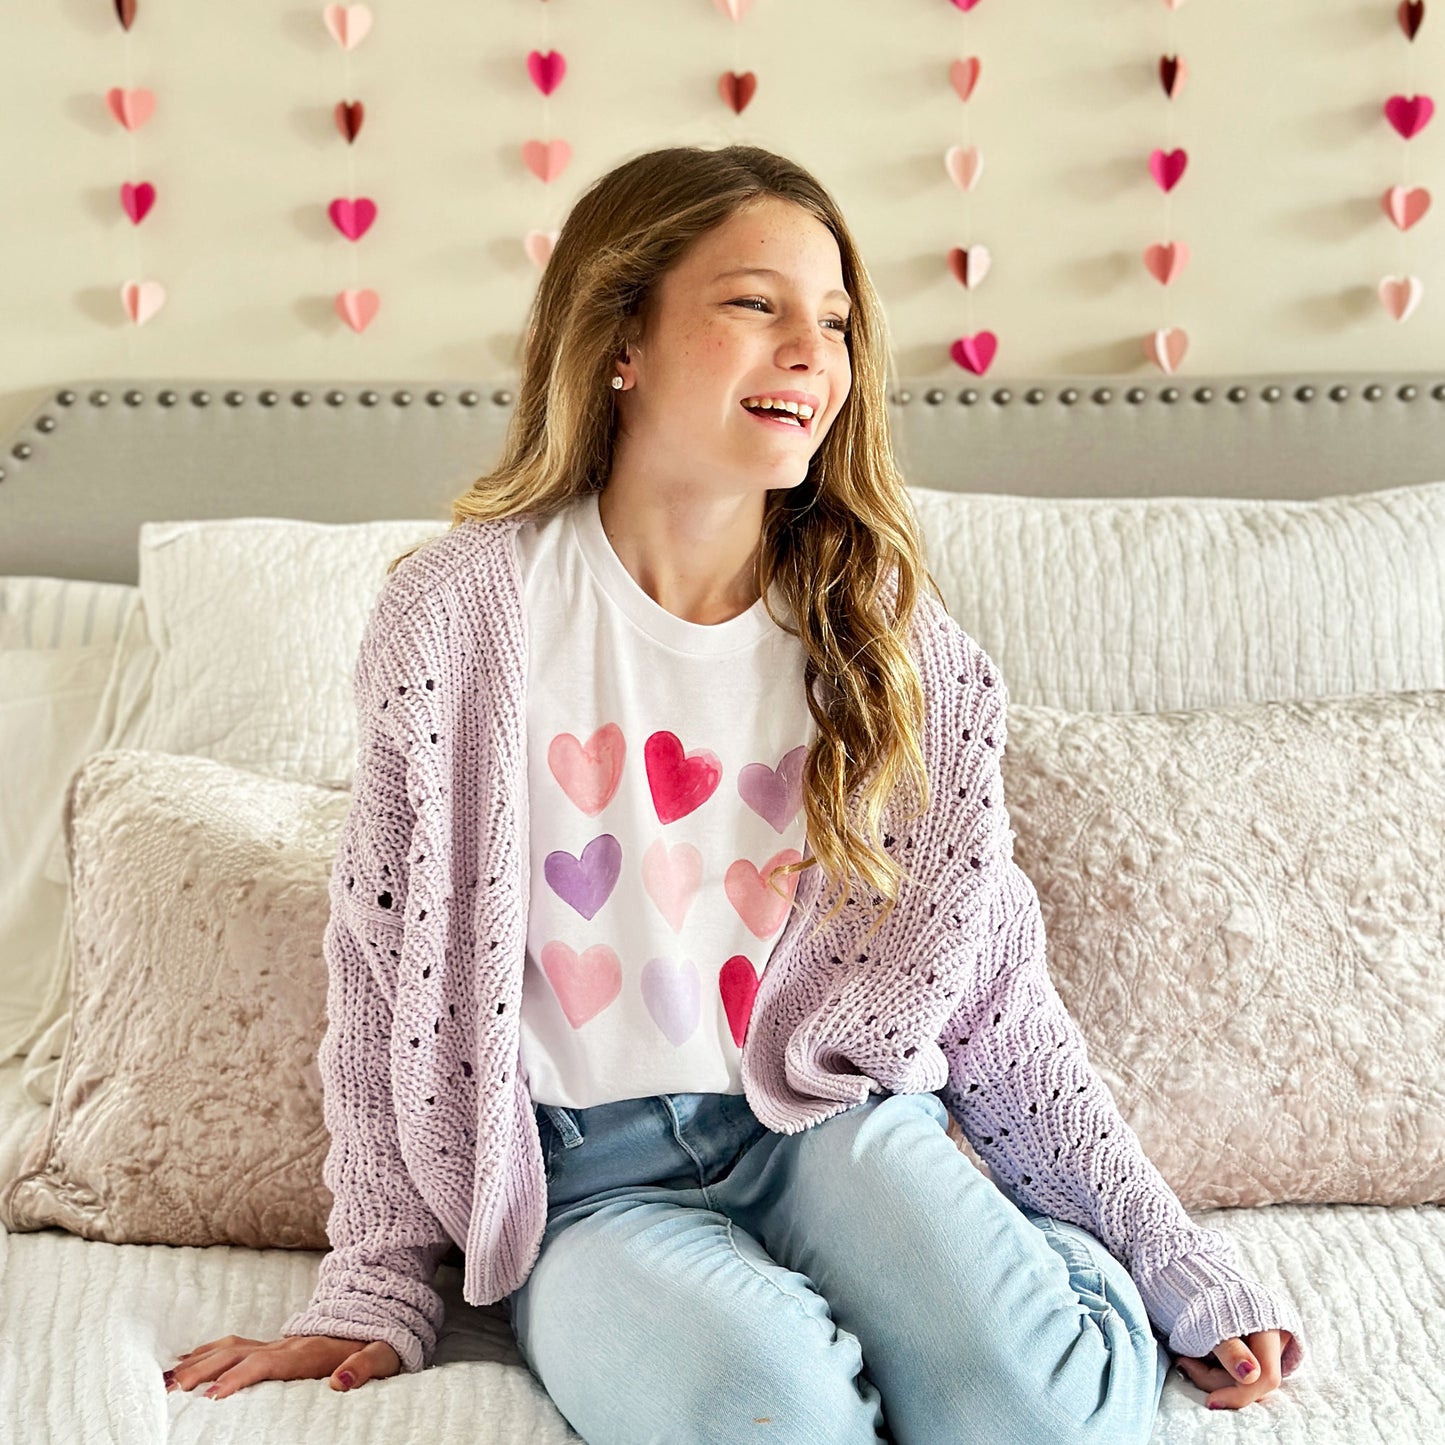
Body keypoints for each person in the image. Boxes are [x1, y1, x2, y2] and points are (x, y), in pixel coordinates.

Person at [161, 144, 1305, 1441]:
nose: (811, 353)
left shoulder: (885, 639)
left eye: (836, 322)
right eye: (756, 304)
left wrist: (1166, 1257)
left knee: (1044, 1421)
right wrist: (376, 1283)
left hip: (833, 1128)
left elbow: (994, 992)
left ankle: (1040, 1269)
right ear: (620, 340)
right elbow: (389, 977)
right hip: (585, 1189)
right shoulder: (458, 621)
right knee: (767, 1415)